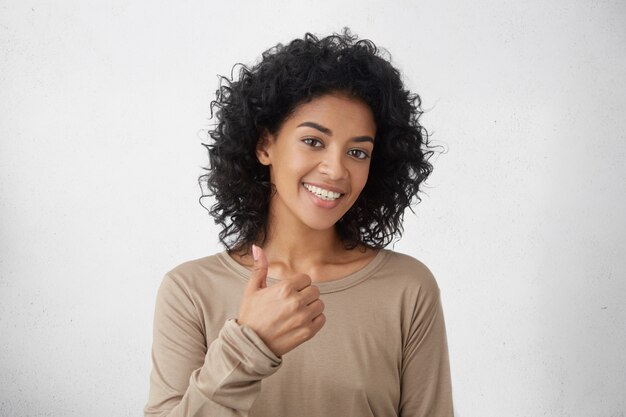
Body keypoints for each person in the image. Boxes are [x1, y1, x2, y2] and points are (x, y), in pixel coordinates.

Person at [144, 29, 453, 417]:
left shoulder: (407, 288)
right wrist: (249, 343)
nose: (336, 169)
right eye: (313, 141)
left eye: (358, 151)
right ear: (264, 145)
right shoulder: (190, 291)